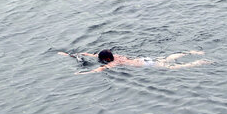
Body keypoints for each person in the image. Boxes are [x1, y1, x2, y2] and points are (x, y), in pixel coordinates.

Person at [58, 49, 210, 74]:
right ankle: (191, 52)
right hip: (144, 58)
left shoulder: (114, 63)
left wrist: (82, 73)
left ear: (106, 59)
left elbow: (99, 69)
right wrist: (69, 54)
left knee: (172, 68)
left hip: (146, 64)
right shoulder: (116, 56)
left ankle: (198, 63)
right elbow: (90, 54)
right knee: (168, 58)